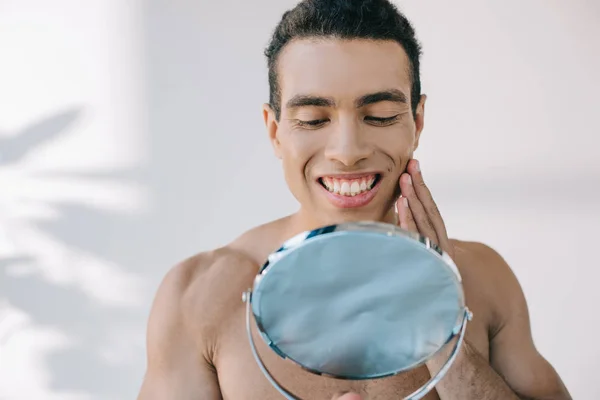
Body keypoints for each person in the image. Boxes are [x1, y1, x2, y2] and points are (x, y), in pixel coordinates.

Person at [137, 0, 572, 399]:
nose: (347, 151)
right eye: (313, 119)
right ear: (275, 131)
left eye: (379, 116)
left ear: (417, 122)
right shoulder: (198, 295)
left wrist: (438, 325)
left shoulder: (485, 280)